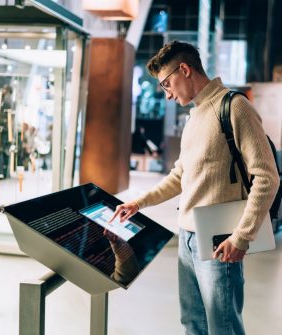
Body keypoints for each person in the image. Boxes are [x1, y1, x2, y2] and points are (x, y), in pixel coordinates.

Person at [110, 40, 279, 335]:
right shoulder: (194, 116)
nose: (167, 94)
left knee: (222, 327)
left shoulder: (235, 107)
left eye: (166, 84)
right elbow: (180, 175)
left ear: (184, 70)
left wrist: (242, 237)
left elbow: (267, 177)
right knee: (192, 325)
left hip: (219, 240)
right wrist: (139, 203)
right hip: (187, 237)